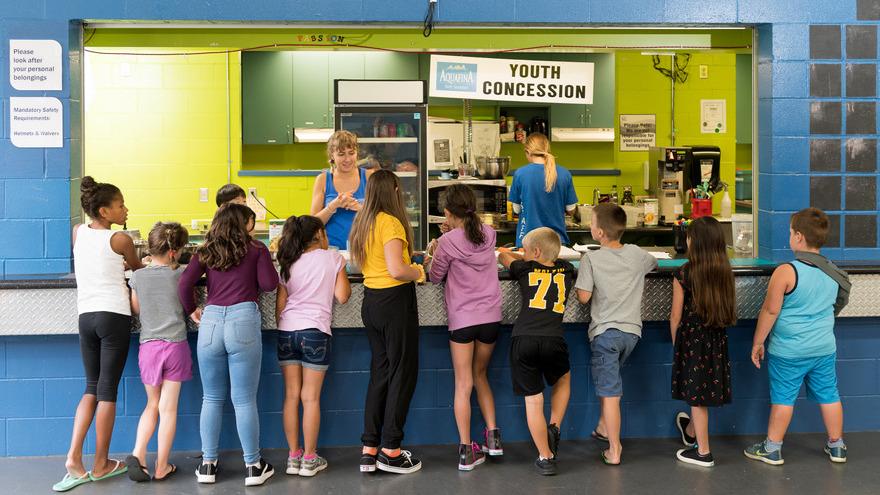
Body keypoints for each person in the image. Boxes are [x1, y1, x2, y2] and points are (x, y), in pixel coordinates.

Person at [178, 203, 280, 486]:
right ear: (242, 224)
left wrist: (192, 310)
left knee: (210, 398)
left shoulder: (206, 250)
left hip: (210, 322)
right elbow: (270, 284)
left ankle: (208, 466)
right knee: (244, 399)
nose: (253, 226)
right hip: (243, 320)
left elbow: (185, 284)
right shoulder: (256, 249)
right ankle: (253, 466)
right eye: (250, 221)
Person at [54, 177, 145, 492]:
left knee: (91, 388)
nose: (125, 209)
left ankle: (73, 458)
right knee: (107, 391)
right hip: (113, 316)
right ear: (105, 211)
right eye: (120, 205)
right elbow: (138, 268)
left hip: (86, 317)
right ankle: (101, 463)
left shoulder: (77, 232)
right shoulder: (120, 238)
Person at [745, 208, 850, 466]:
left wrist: (758, 342)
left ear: (799, 237)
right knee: (829, 394)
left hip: (789, 352)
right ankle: (837, 445)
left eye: (791, 232)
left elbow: (770, 311)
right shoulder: (833, 273)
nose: (790, 236)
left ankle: (772, 448)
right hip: (824, 348)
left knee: (783, 398)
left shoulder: (786, 271)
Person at [348, 169, 426, 475]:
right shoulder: (390, 221)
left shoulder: (363, 221)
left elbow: (378, 262)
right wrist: (420, 271)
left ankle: (369, 448)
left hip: (372, 302)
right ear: (393, 190)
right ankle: (391, 450)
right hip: (395, 302)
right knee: (402, 373)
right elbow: (396, 269)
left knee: (380, 373)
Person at [426, 183, 503, 471]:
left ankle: (466, 451)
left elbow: (435, 277)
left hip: (463, 320)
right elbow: (471, 239)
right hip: (491, 318)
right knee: (480, 374)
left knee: (463, 383)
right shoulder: (490, 233)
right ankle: (493, 439)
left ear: (447, 212)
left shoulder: (447, 242)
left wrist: (433, 251)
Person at [574, 203, 657, 466]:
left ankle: (614, 449)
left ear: (598, 233)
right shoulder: (636, 254)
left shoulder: (591, 259)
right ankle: (602, 426)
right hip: (631, 335)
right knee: (610, 381)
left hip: (605, 335)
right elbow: (653, 264)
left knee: (610, 393)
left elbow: (584, 298)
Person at [275, 215, 351, 477]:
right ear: (319, 233)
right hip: (315, 332)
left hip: (287, 332)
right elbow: (342, 297)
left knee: (291, 396)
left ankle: (292, 456)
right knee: (310, 398)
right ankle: (309, 458)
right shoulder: (333, 258)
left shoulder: (287, 261)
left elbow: (280, 306)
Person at [498, 228, 575, 476]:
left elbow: (504, 257)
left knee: (533, 400)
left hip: (524, 340)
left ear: (536, 252)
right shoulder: (567, 270)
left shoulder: (524, 269)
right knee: (563, 378)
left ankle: (545, 456)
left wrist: (510, 253)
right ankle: (554, 425)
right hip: (554, 339)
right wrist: (529, 253)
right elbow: (555, 259)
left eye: (526, 249)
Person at [126, 222, 192, 482]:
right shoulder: (181, 275)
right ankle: (162, 466)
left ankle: (139, 454)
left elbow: (136, 308)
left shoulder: (138, 276)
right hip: (175, 346)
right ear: (174, 252)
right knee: (169, 409)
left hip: (149, 347)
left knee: (152, 404)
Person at [669, 216, 736, 468]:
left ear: (693, 242)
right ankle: (691, 431)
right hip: (716, 339)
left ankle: (703, 453)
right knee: (703, 389)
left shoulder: (684, 272)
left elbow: (675, 316)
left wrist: (677, 344)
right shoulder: (724, 271)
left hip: (692, 340)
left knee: (697, 399)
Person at [508, 133, 578, 247]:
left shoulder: (520, 174)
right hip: (557, 242)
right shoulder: (565, 174)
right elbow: (571, 209)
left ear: (527, 152)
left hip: (528, 241)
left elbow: (516, 209)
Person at [311, 130, 373, 249]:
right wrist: (333, 206)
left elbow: (382, 218)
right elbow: (312, 225)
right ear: (332, 155)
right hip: (331, 251)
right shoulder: (323, 180)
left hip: (365, 250)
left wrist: (360, 208)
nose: (347, 159)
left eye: (351, 153)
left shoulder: (369, 177)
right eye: (341, 154)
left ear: (357, 153)